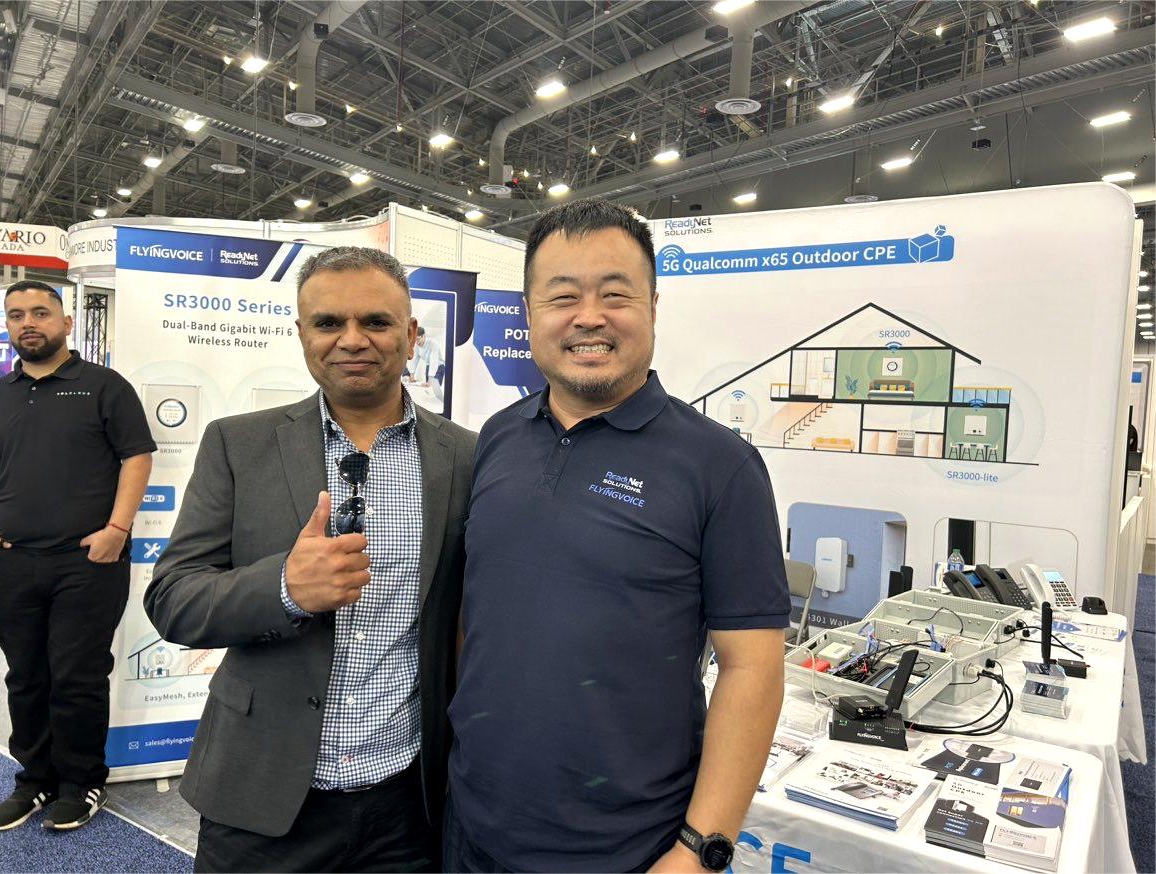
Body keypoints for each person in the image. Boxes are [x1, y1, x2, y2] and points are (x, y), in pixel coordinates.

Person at [446, 199, 791, 873]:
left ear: (653, 308)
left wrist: (699, 851)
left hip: (626, 849)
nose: (589, 317)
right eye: (562, 297)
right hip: (472, 829)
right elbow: (478, 614)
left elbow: (752, 668)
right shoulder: (498, 438)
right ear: (529, 312)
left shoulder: (719, 466)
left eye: (615, 294)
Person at [144, 247, 476, 873]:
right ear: (302, 334)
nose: (352, 339)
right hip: (260, 795)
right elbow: (172, 599)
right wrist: (284, 588)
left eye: (375, 322)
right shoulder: (237, 444)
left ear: (411, 335)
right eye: (328, 323)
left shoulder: (466, 456)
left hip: (408, 803)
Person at [0, 281, 155, 831]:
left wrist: (117, 529)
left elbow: (136, 457)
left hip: (87, 563)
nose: (28, 323)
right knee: (25, 677)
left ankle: (82, 783)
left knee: (77, 678)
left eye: (40, 313)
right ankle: (34, 781)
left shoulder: (104, 386)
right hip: (14, 561)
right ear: (8, 326)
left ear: (65, 323)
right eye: (17, 315)